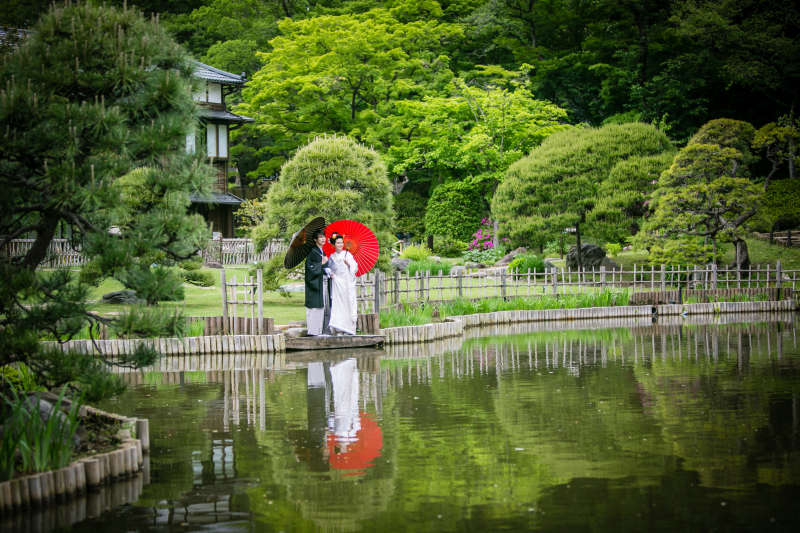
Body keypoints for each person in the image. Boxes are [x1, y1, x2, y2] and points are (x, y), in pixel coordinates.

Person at [327, 233, 359, 336]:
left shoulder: (348, 255)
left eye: (341, 242)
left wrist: (348, 264)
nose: (340, 245)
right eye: (338, 243)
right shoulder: (332, 257)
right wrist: (331, 274)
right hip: (337, 284)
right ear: (334, 244)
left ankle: (348, 328)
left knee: (348, 304)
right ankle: (339, 328)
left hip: (346, 283)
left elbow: (355, 267)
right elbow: (331, 269)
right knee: (338, 305)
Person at [305, 229, 330, 336]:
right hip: (316, 284)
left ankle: (323, 330)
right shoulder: (312, 252)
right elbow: (309, 268)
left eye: (324, 236)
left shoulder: (321, 251)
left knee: (324, 305)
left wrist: (327, 270)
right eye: (320, 237)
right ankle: (314, 331)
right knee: (316, 307)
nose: (323, 239)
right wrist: (321, 263)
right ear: (315, 239)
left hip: (323, 281)